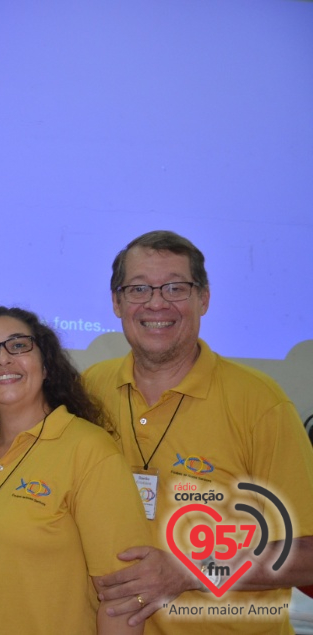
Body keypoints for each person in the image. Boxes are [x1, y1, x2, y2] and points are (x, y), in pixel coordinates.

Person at [86, 230, 313, 634]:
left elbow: (308, 553)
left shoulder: (260, 404)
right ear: (117, 302)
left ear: (203, 298)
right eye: (139, 289)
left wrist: (189, 570)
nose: (157, 302)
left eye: (175, 287)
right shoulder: (90, 391)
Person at [0, 306, 149, 634]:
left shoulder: (88, 450)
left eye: (18, 345)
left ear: (46, 365)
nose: (3, 359)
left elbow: (123, 598)